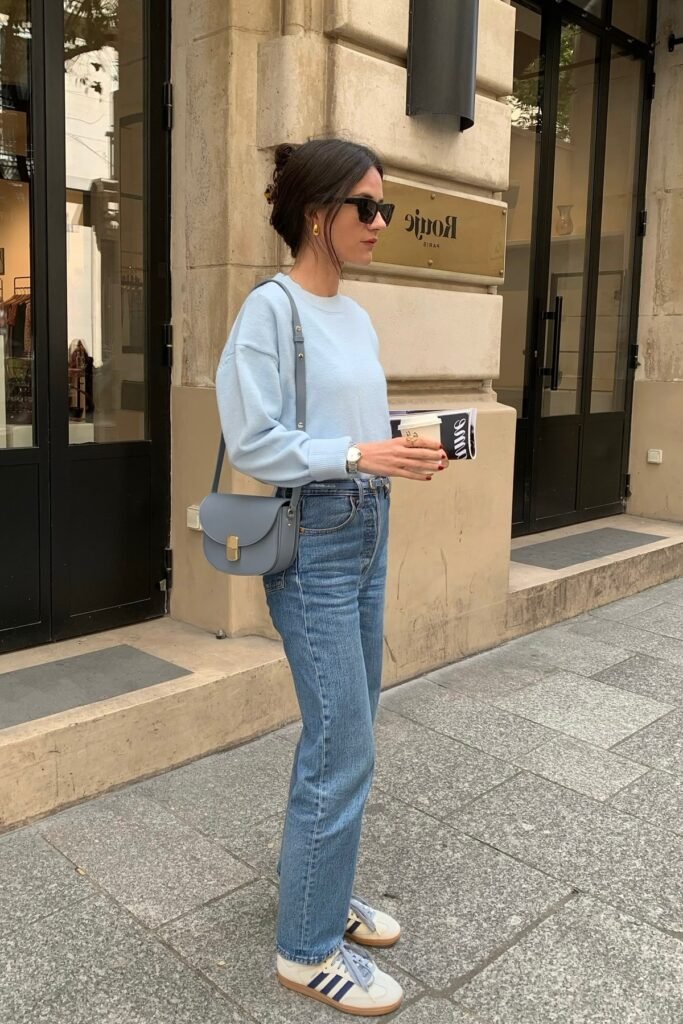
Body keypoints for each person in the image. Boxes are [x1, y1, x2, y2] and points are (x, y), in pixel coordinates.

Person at [216, 137, 448, 1016]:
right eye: (366, 207)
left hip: (367, 521)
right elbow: (255, 440)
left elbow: (355, 422)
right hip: (313, 534)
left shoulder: (351, 314)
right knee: (341, 740)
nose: (380, 221)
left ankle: (318, 891)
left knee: (351, 726)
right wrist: (358, 451)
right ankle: (304, 948)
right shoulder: (268, 311)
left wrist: (404, 441)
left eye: (384, 207)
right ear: (317, 214)